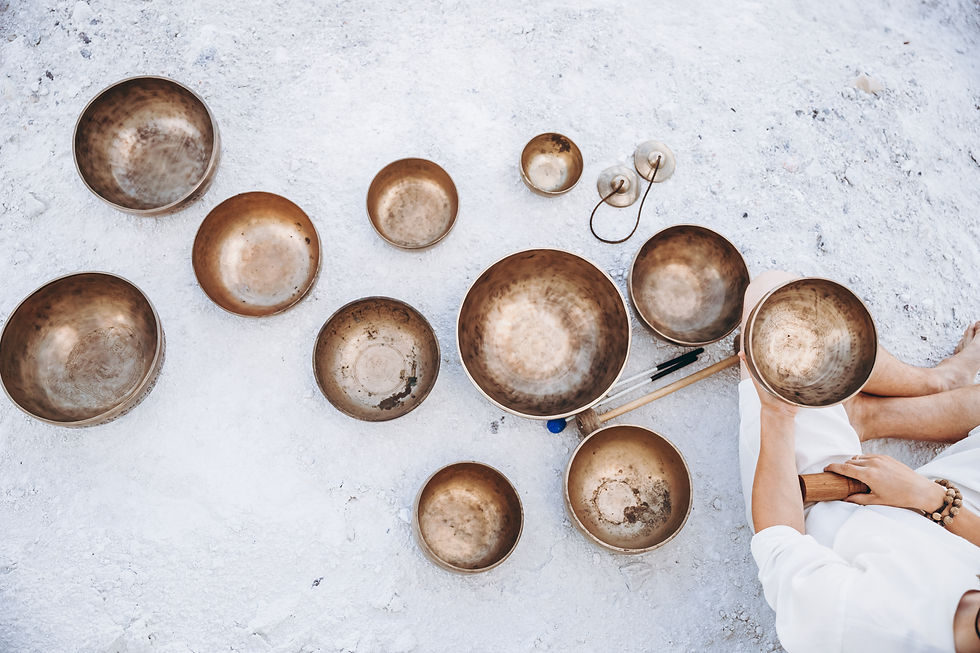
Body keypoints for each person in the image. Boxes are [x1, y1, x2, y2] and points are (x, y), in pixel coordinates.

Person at [738, 270, 980, 653]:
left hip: (822, 508)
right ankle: (933, 385)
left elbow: (780, 539)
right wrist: (930, 498)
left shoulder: (858, 625)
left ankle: (873, 413)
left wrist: (778, 412)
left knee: (777, 306)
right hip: (950, 519)